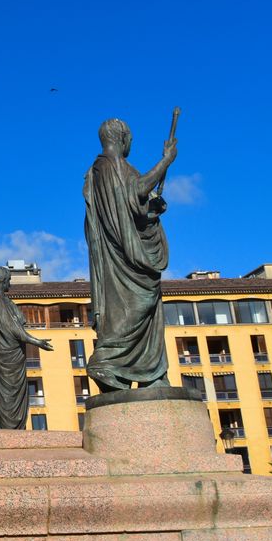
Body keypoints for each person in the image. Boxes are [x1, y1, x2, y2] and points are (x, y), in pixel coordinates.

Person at [83, 118, 177, 392]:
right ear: (121, 138)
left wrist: (150, 213)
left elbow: (131, 210)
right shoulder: (109, 166)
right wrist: (166, 161)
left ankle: (149, 373)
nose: (131, 145)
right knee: (138, 306)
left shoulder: (107, 169)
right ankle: (105, 362)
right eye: (131, 140)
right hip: (125, 258)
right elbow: (135, 191)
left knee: (143, 310)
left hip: (125, 250)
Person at [0, 266, 54, 429]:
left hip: (11, 356)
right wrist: (36, 342)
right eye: (9, 281)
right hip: (6, 358)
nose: (10, 285)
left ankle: (11, 429)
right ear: (3, 280)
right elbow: (13, 329)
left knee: (11, 397)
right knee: (8, 398)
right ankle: (10, 430)